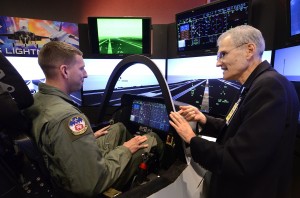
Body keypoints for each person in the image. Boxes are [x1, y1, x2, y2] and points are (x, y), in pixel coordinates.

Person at [169, 25, 299, 198]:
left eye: (223, 54)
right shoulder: (254, 84)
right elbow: (237, 129)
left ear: (249, 50)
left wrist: (192, 139)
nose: (218, 62)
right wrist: (204, 120)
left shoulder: (269, 87)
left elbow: (237, 161)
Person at [24, 41, 163, 197]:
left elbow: (55, 141)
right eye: (81, 68)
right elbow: (91, 183)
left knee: (119, 128)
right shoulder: (68, 117)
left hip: (63, 165)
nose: (86, 74)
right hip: (86, 185)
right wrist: (125, 149)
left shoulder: (37, 100)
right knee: (150, 139)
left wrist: (87, 137)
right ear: (65, 71)